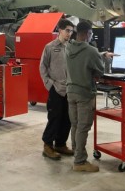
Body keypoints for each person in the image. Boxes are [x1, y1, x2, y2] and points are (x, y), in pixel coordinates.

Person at [64, 20, 111, 172]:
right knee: (83, 127)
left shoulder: (68, 47)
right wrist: (105, 59)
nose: (91, 37)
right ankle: (80, 161)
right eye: (91, 34)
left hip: (70, 91)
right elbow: (100, 71)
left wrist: (99, 54)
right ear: (87, 34)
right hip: (84, 92)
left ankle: (77, 153)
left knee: (75, 125)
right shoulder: (90, 50)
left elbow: (82, 60)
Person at [40, 18, 75, 160]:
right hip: (56, 88)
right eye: (67, 30)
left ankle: (60, 144)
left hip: (69, 88)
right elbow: (42, 66)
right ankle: (47, 145)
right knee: (55, 117)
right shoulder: (50, 47)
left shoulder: (71, 47)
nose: (69, 34)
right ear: (59, 30)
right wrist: (49, 84)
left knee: (67, 118)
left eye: (71, 31)